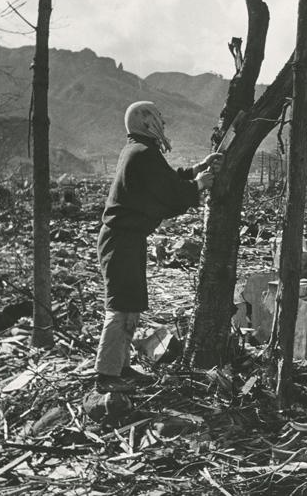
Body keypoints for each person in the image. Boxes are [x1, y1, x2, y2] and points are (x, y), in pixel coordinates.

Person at [94, 100, 222, 393]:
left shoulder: (139, 151)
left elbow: (164, 181)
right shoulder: (141, 153)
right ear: (145, 121)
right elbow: (168, 191)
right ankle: (106, 374)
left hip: (125, 238)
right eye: (158, 118)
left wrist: (194, 171)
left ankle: (120, 367)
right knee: (121, 306)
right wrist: (199, 185)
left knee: (129, 305)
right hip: (121, 239)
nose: (163, 124)